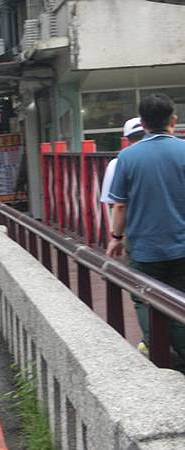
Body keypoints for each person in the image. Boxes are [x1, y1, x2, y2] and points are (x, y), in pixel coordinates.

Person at [106, 94, 185, 372]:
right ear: (173, 119)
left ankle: (165, 354)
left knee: (145, 298)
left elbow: (119, 205)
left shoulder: (127, 157)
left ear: (142, 123)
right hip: (182, 246)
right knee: (180, 300)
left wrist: (116, 238)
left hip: (145, 248)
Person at [100, 117, 145, 204]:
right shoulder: (161, 159)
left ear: (127, 139)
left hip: (131, 211)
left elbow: (113, 201)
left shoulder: (117, 162)